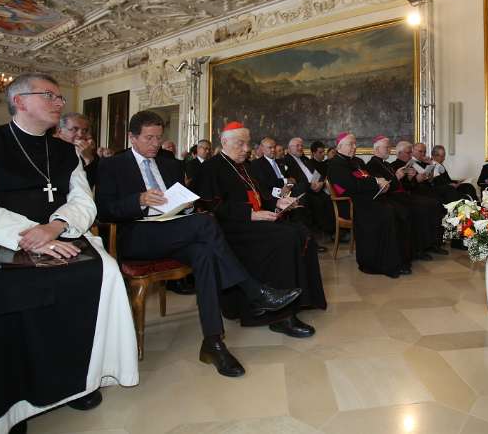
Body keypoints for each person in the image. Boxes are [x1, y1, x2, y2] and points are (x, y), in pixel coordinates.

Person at [0, 73, 139, 434]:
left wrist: (56, 227)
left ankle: (79, 381)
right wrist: (32, 236)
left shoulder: (65, 151)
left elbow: (81, 199)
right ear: (19, 101)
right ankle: (7, 403)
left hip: (57, 234)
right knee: (7, 294)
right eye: (50, 96)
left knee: (101, 271)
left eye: (60, 98)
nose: (60, 103)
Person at [95, 111, 302, 377]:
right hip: (138, 234)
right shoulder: (113, 165)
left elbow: (185, 200)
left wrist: (187, 203)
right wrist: (139, 201)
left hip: (175, 229)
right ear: (132, 137)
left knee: (204, 250)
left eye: (159, 138)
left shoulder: (169, 164)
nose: (155, 144)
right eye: (149, 138)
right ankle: (254, 290)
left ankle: (213, 343)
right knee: (206, 224)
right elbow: (104, 210)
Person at [193, 122, 326, 338]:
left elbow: (261, 195)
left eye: (248, 143)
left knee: (300, 231)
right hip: (230, 228)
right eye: (241, 143)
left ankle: (301, 299)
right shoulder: (211, 168)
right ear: (224, 143)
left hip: (253, 221)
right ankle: (278, 316)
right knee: (285, 237)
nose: (247, 149)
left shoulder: (244, 166)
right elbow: (209, 206)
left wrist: (278, 203)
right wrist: (249, 214)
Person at [327, 132, 408, 278]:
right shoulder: (335, 164)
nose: (354, 147)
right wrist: (376, 182)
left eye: (355, 143)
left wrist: (381, 185)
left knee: (395, 209)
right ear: (339, 146)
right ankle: (377, 263)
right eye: (350, 144)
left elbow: (366, 179)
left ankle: (398, 259)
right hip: (350, 204)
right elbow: (351, 185)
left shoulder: (356, 161)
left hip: (366, 199)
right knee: (386, 213)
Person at [366, 136, 444, 261]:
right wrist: (398, 177)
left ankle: (431, 244)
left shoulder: (385, 164)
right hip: (391, 197)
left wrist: (405, 178)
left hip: (400, 194)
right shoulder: (372, 165)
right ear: (377, 149)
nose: (389, 149)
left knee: (432, 203)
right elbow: (383, 187)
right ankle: (418, 249)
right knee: (422, 207)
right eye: (387, 147)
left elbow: (399, 184)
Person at [283, 137, 334, 239]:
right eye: (297, 146)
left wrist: (321, 182)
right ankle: (319, 234)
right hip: (303, 190)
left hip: (316, 187)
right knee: (318, 201)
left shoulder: (305, 159)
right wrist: (310, 185)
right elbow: (292, 180)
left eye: (301, 145)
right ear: (289, 148)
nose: (300, 148)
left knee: (330, 198)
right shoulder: (286, 161)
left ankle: (332, 231)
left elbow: (317, 174)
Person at [55, 112, 99, 188]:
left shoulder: (91, 154)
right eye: (75, 129)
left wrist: (88, 159)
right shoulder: (50, 152)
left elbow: (89, 186)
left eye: (84, 130)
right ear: (60, 131)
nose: (81, 134)